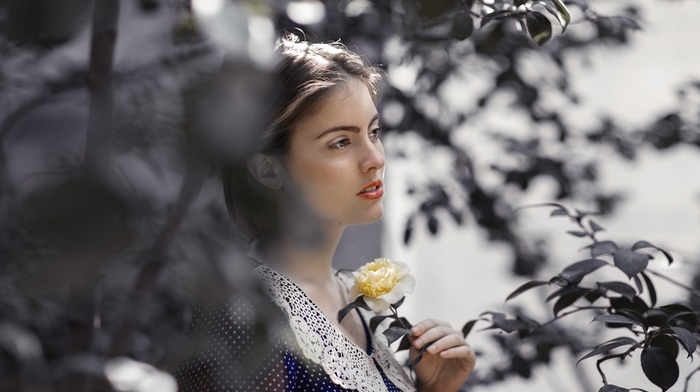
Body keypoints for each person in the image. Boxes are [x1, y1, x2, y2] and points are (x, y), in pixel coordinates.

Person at [176, 34, 476, 392]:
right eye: (341, 142)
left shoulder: (356, 299)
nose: (376, 159)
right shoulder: (244, 315)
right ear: (268, 170)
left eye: (374, 132)